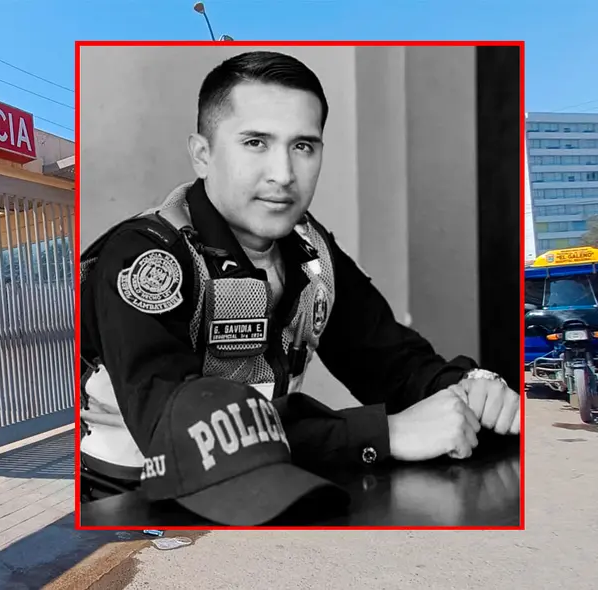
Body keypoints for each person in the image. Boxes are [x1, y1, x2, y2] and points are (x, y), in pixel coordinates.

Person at [79, 50, 521, 505]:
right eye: (255, 143)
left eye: (303, 146)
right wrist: (383, 433)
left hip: (273, 484)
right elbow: (177, 432)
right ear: (202, 155)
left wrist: (469, 391)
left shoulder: (310, 250)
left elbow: (389, 361)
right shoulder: (147, 257)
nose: (283, 174)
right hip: (130, 502)